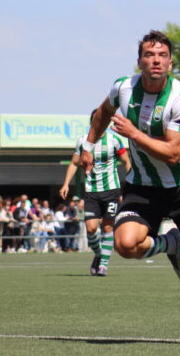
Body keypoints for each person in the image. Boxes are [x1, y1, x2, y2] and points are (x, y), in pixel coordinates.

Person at [80, 30, 180, 345]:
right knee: (125, 245)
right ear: (139, 60)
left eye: (161, 56)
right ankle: (170, 244)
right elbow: (102, 113)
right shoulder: (123, 88)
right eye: (148, 55)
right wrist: (88, 144)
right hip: (142, 185)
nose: (155, 60)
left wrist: (132, 132)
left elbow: (172, 153)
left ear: (170, 63)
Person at [60, 113, 131, 277]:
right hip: (91, 191)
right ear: (92, 123)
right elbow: (74, 163)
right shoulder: (83, 141)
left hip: (111, 190)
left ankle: (103, 265)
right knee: (91, 228)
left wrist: (132, 184)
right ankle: (99, 254)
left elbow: (126, 162)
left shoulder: (114, 140)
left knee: (107, 227)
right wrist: (65, 184)